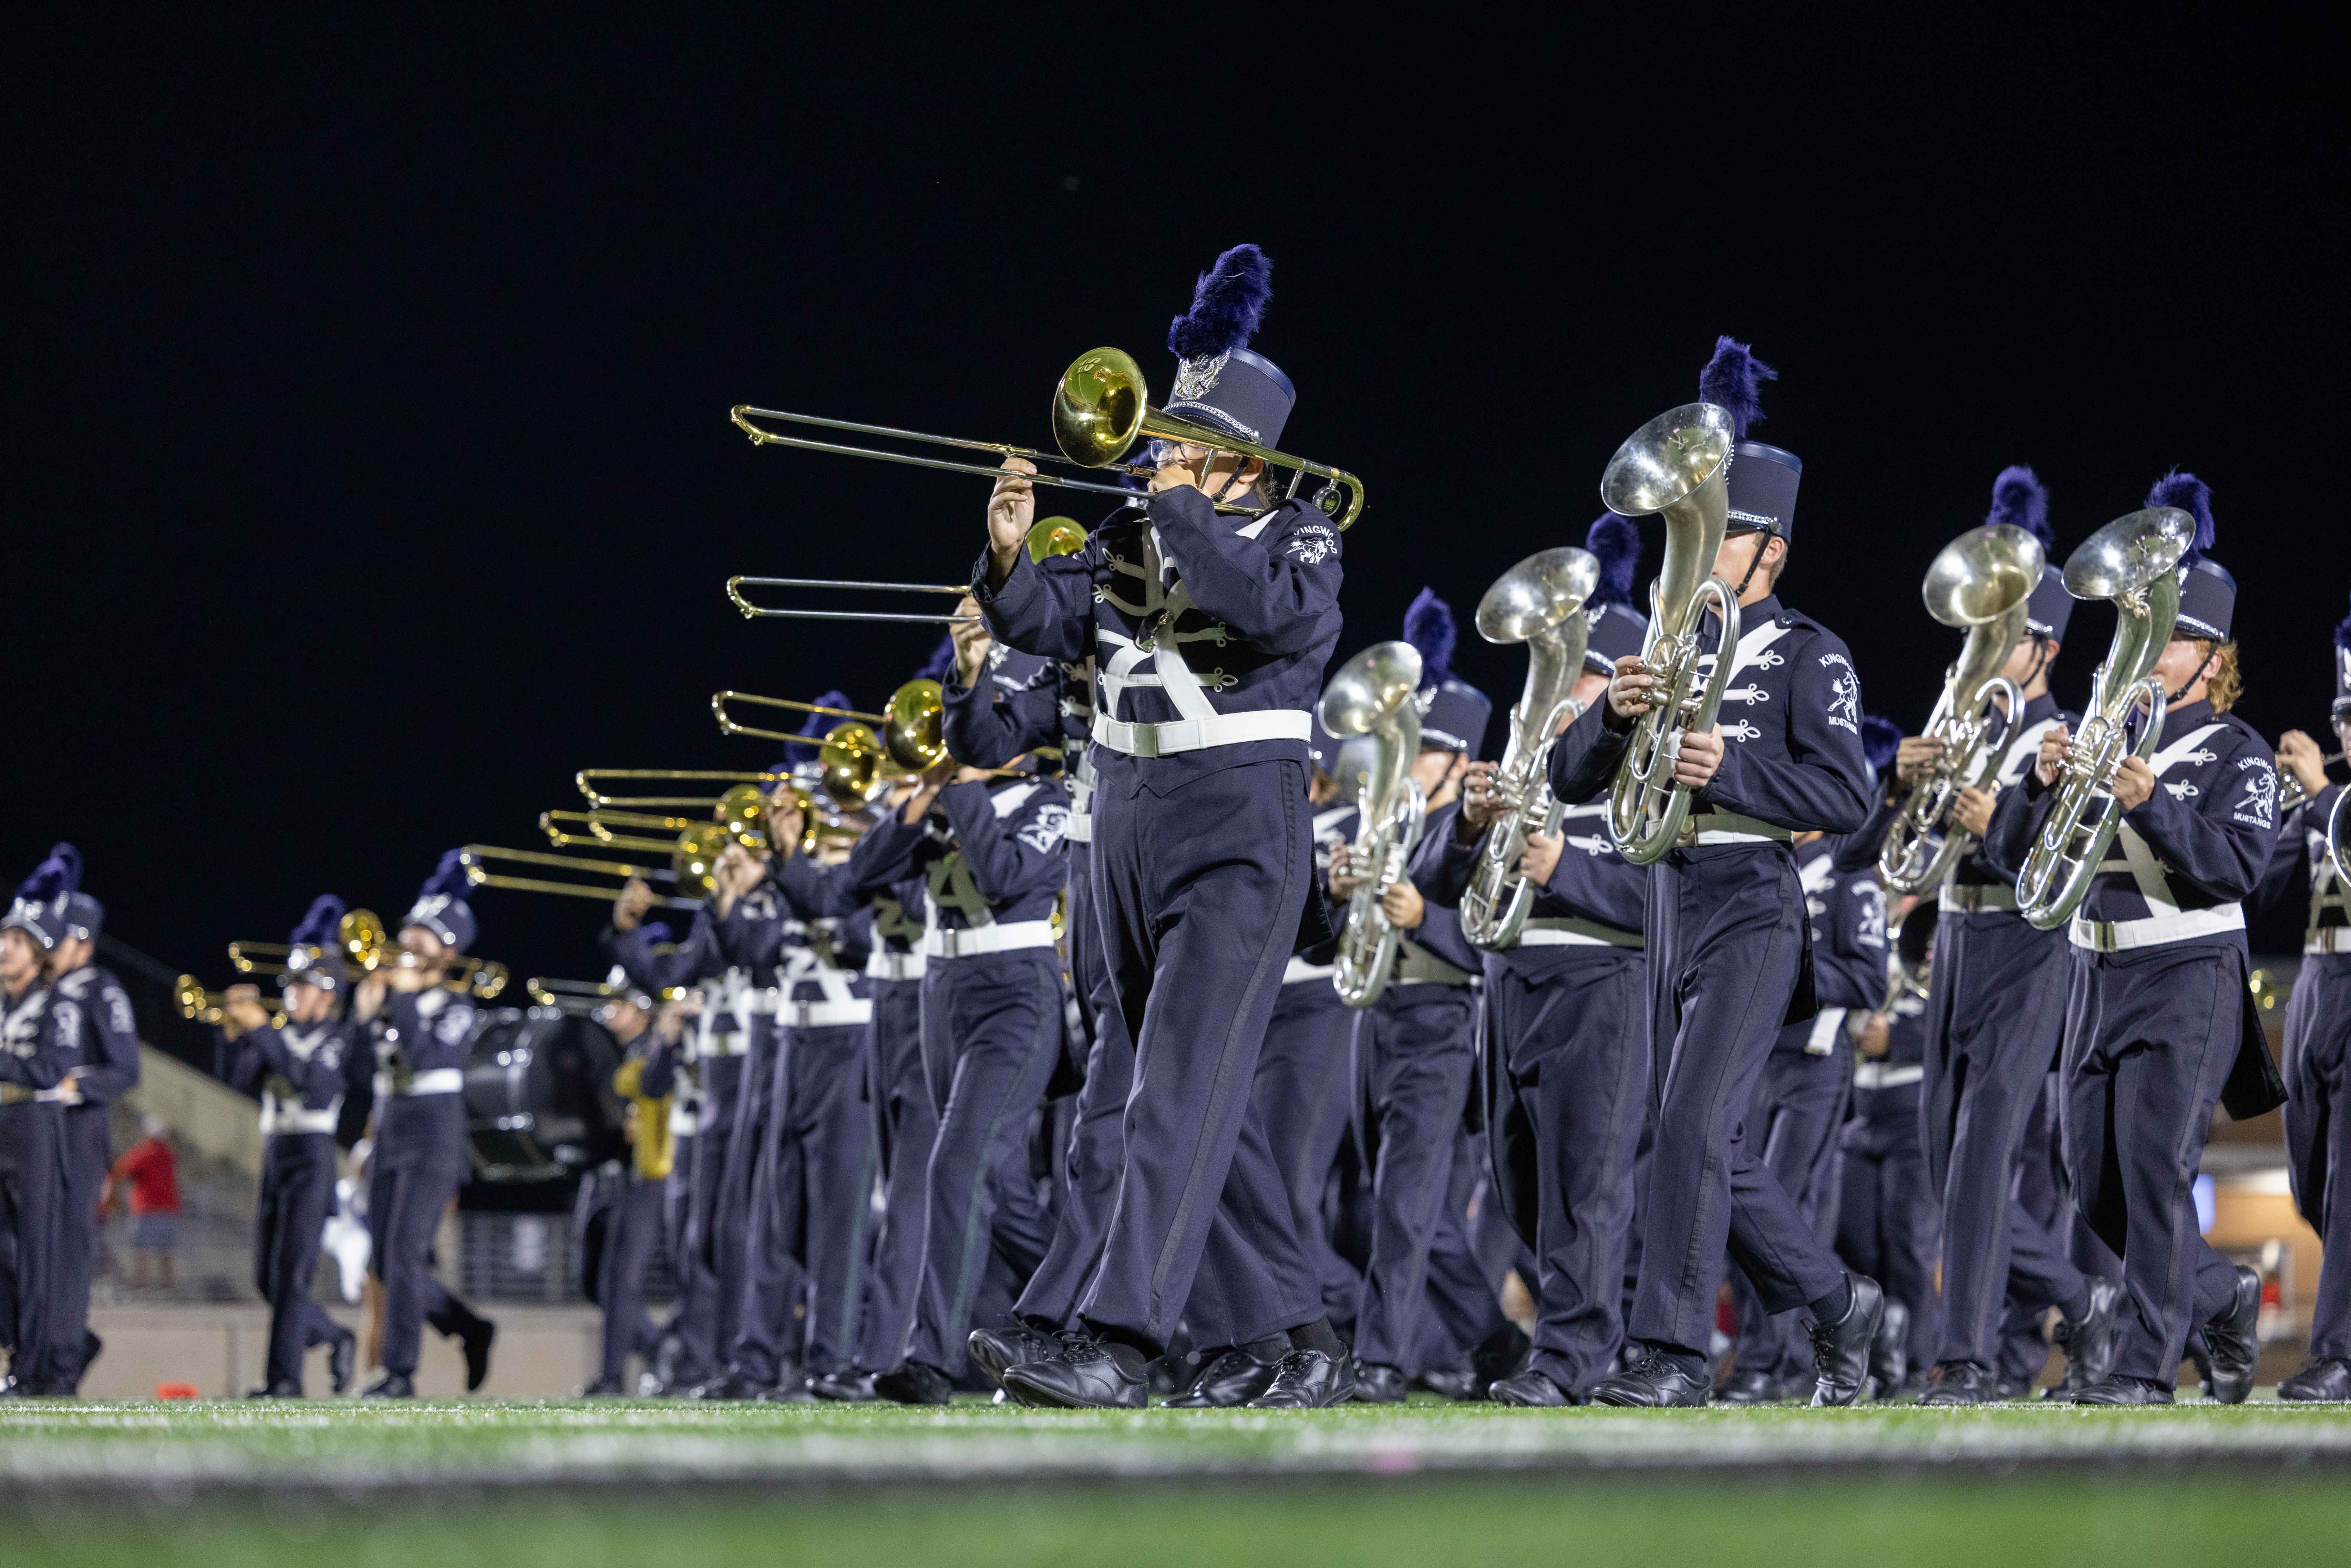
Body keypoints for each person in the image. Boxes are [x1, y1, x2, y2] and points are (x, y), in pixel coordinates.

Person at [979, 245, 1356, 1411]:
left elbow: (1263, 615)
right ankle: (1281, 1333)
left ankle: (1123, 1341)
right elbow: (1050, 625)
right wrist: (1003, 557)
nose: (1158, 457)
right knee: (1138, 1097)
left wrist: (1183, 515)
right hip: (1129, 825)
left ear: (1242, 461)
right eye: (1163, 440)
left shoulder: (1300, 538)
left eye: (1185, 443)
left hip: (1236, 827)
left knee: (1174, 1094)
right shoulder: (1139, 532)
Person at [1547, 337, 1884, 1408]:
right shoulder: (1657, 645)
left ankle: (1674, 1353)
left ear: (1770, 550)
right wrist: (1613, 711)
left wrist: (1731, 765)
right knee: (1691, 1137)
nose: (1698, 550)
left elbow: (1847, 796)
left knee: (1694, 1127)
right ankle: (1838, 1305)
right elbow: (1568, 779)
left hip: (1750, 902)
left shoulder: (1805, 653)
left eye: (1725, 531)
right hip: (1665, 899)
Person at [1982, 471, 2278, 1405]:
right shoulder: (2093, 732)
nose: (2155, 654)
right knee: (2089, 1178)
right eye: (2151, 633)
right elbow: (2009, 857)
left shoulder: (2240, 752)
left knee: (2156, 1171)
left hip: (2189, 970)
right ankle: (2221, 1292)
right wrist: (2036, 783)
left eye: (2180, 640)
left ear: (2213, 658)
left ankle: (2145, 1372)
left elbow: (2238, 870)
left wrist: (2151, 807)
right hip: (2093, 974)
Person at [1878, 467, 2121, 1405]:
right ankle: (2082, 1301)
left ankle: (1965, 1359)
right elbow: (1882, 851)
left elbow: (2058, 862)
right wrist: (1905, 784)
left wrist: (1999, 818)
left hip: (2028, 950)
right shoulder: (1965, 724)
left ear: (2046, 647)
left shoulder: (2062, 739)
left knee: (1981, 1157)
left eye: (2006, 632)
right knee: (1948, 1167)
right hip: (1956, 944)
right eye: (1985, 628)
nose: (1987, 644)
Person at [1423, 515, 1653, 1407]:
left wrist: (1570, 870)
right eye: (1566, 669)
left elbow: (1665, 900)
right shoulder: (1525, 755)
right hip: (1511, 984)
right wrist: (1471, 825)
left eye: (1589, 674)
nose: (1567, 689)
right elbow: (1441, 884)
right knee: (1525, 1195)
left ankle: (1570, 1361)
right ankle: (1602, 1339)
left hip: (1602, 979)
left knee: (1589, 1192)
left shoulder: (1648, 770)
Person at [840, 748, 1069, 1405]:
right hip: (941, 994)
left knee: (954, 1166)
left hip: (1014, 992)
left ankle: (929, 1358)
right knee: (1000, 1190)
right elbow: (861, 873)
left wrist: (961, 794)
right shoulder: (944, 803)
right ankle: (1098, 1319)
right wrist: (918, 800)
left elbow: (1002, 875)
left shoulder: (1043, 801)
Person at [1322, 590, 1490, 1402]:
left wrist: (1426, 918)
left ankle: (1381, 1359)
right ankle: (1499, 1342)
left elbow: (1494, 940)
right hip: (1373, 1011)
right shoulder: (1388, 818)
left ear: (1457, 760)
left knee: (1401, 1202)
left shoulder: (1475, 825)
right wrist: (1339, 886)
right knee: (1371, 1207)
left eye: (1425, 751)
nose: (1408, 759)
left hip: (1439, 1013)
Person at [1715, 717, 1898, 1402]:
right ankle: (1774, 1352)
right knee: (1742, 1210)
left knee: (1782, 1206)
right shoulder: (1772, 863)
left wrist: (1786, 971)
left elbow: (1869, 977)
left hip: (1815, 1063)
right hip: (1760, 1056)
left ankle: (1775, 1361)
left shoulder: (1846, 875)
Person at [713, 780, 880, 1401]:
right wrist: (729, 899)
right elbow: (752, 954)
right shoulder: (796, 880)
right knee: (774, 1217)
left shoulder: (871, 874)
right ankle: (756, 1361)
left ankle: (831, 1363)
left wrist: (793, 868)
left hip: (849, 1047)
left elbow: (857, 935)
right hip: (791, 1047)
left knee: (838, 1218)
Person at [353, 851, 497, 1398]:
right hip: (390, 1129)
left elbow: (424, 1055)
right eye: (408, 930)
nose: (409, 941)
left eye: (424, 935)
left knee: (408, 1253)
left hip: (433, 1133)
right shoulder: (396, 1001)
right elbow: (358, 1074)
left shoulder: (457, 1005)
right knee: (386, 1264)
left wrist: (404, 1001)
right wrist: (363, 1017)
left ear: (450, 950)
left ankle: (400, 1373)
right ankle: (469, 1326)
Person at [216, 894, 359, 1396]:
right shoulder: (278, 1034)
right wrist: (233, 1034)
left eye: (304, 987)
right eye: (292, 987)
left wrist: (262, 1033)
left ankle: (285, 1381)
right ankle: (333, 1336)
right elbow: (237, 1081)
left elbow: (310, 1084)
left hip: (313, 1158)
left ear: (328, 994)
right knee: (265, 1279)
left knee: (293, 1276)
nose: (293, 996)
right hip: (276, 1155)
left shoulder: (338, 1039)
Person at [2269, 588, 2351, 1401]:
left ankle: (2340, 1350)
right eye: (2344, 712)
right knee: (2310, 1179)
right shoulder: (2332, 798)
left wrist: (2322, 793)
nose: (2347, 729)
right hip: (2316, 985)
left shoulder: (2339, 797)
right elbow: (2259, 888)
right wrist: (2272, 812)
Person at [26, 846, 138, 1394]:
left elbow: (126, 1069)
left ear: (85, 942)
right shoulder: (38, 993)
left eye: (60, 938)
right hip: (33, 1134)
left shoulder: (102, 990)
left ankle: (62, 1366)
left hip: (78, 1133)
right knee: (28, 1249)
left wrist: (75, 1085)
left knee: (68, 1251)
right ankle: (51, 1349)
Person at [1836, 902, 1941, 1397]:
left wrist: (1897, 1037)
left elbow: (1959, 1017)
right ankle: (1876, 1358)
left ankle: (1920, 1365)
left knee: (1910, 1248)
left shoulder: (1936, 938)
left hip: (1912, 1116)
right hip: (1862, 1115)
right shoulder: (1869, 945)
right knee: (1855, 1244)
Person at [579, 985, 687, 1396]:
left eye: (619, 1004)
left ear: (642, 1009)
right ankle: (652, 1348)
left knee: (623, 1278)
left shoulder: (660, 1043)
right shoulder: (620, 1049)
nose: (609, 1012)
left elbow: (657, 1088)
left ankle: (616, 1375)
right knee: (603, 1280)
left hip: (655, 1171)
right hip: (623, 1172)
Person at [0, 859, 72, 1395]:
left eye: (20, 941)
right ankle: (14, 1358)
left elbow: (51, 1069)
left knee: (34, 1252)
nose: (6, 948)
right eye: (5, 937)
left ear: (41, 951)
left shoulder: (59, 1002)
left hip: (34, 1126)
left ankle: (35, 1369)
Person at [105, 1116, 180, 1290]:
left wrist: (112, 1196)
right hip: (169, 1209)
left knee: (141, 1249)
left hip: (146, 1208)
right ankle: (167, 1285)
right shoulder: (169, 1156)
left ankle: (141, 1283)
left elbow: (119, 1172)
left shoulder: (143, 1154)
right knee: (165, 1250)